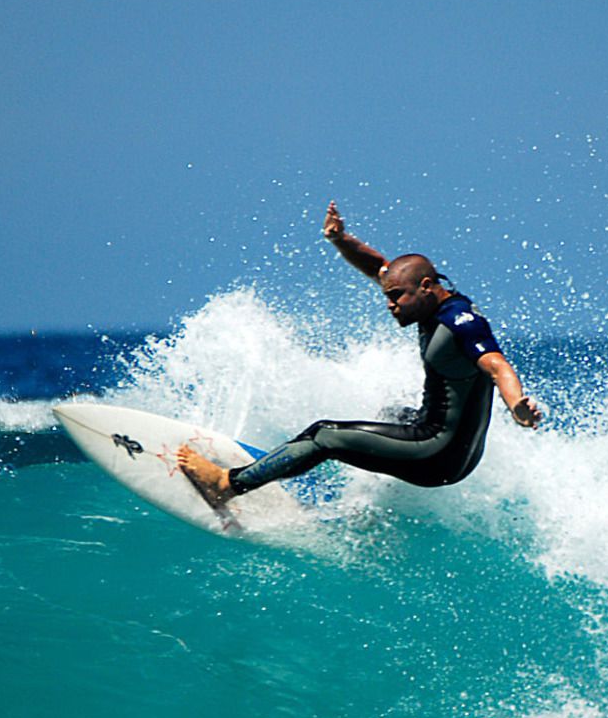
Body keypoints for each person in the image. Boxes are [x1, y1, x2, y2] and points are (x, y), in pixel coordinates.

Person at [177, 201, 542, 505]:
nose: (389, 304)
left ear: (426, 287)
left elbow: (496, 366)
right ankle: (375, 504)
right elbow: (380, 267)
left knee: (324, 435)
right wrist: (340, 240)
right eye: (388, 294)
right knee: (392, 412)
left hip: (437, 455)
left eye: (396, 296)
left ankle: (226, 484)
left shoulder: (461, 324)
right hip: (461, 457)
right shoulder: (433, 299)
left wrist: (517, 407)